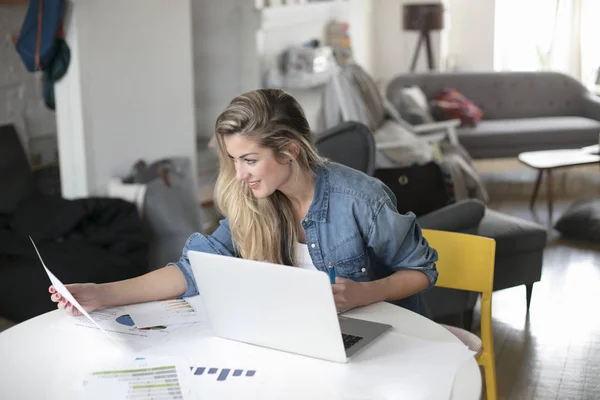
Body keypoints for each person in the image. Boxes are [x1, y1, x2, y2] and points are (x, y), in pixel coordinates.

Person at [49, 88, 438, 317]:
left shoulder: (361, 199)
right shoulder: (254, 200)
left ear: (289, 151)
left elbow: (421, 270)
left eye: (250, 160)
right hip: (303, 340)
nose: (239, 174)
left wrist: (366, 293)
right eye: (234, 160)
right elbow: (196, 269)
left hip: (382, 337)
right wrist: (102, 294)